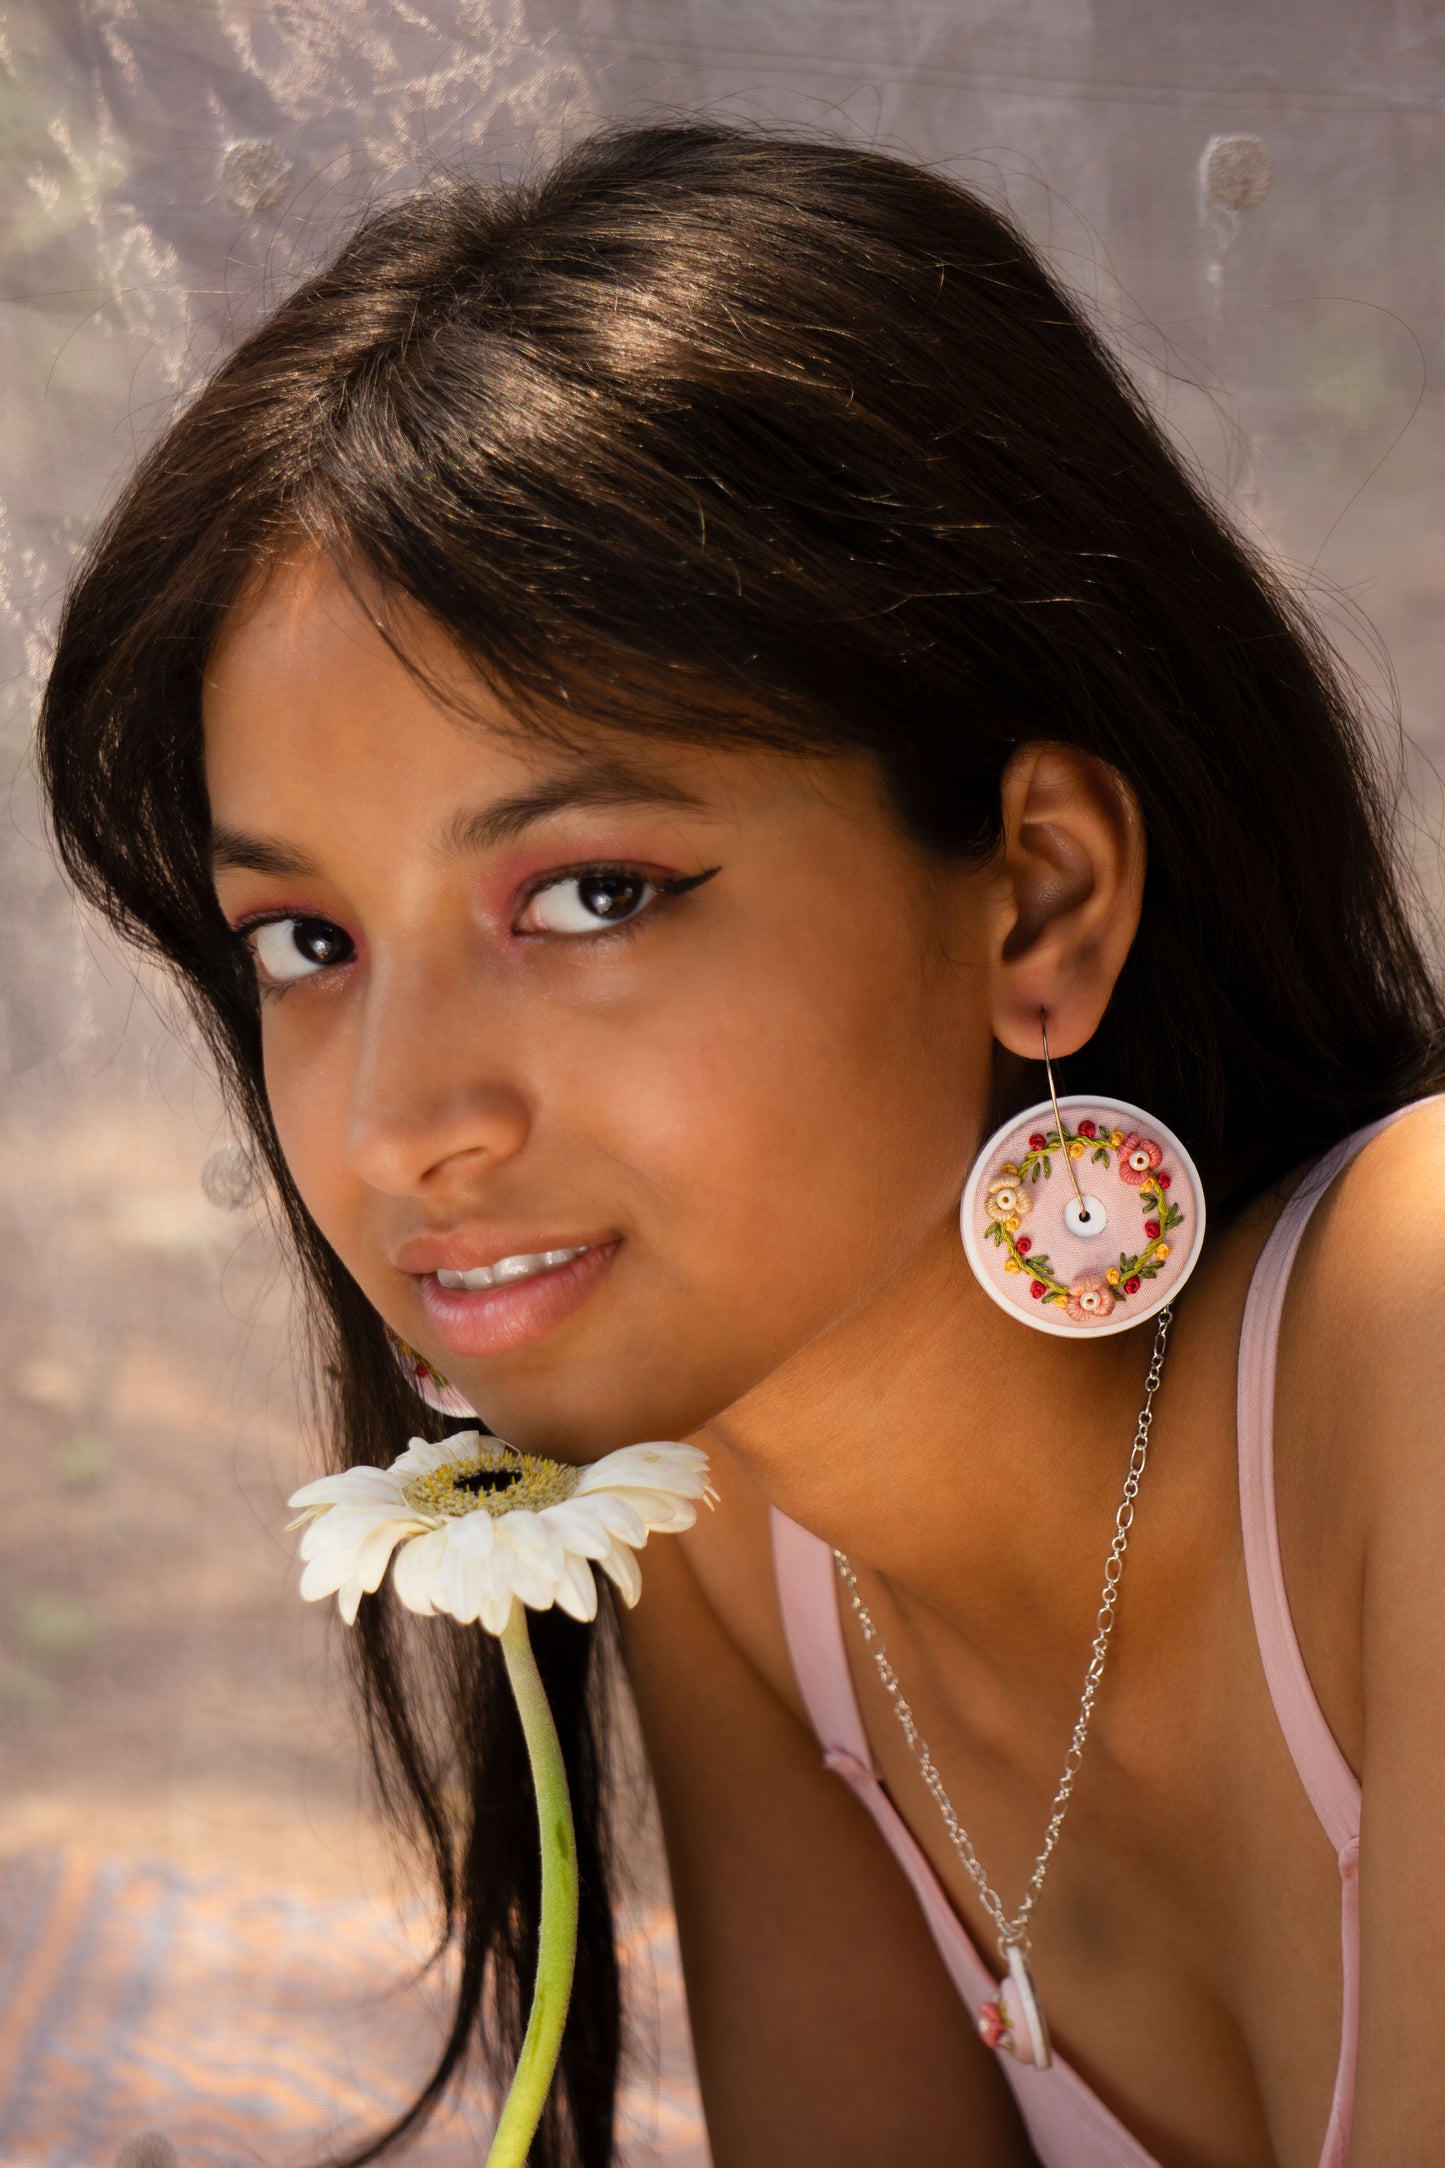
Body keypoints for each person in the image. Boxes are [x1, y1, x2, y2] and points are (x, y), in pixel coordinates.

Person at [37, 116, 1445, 2168]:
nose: (403, 1117)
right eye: (308, 939)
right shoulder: (748, 1540)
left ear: (1038, 895)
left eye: (593, 892)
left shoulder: (1415, 1332)